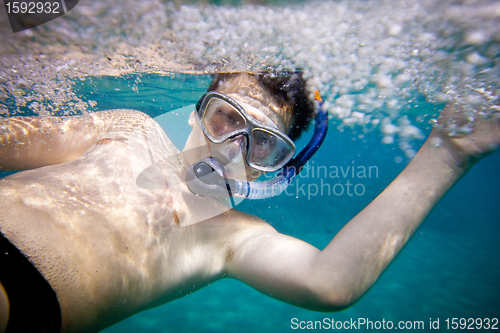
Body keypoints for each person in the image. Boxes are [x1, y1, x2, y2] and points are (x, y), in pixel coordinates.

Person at [0, 72, 498, 333]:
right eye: (225, 121)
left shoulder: (232, 237)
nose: (230, 150)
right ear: (199, 113)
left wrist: (448, 154)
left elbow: (330, 283)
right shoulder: (128, 127)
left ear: (276, 167)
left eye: (261, 144)